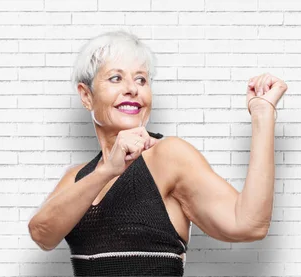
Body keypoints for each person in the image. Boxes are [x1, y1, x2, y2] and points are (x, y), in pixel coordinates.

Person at [28, 30, 287, 276]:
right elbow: (42, 234)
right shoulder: (77, 178)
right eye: (116, 78)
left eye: (141, 79)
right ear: (86, 96)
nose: (133, 88)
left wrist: (262, 116)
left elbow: (249, 224)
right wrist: (106, 171)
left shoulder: (168, 156)